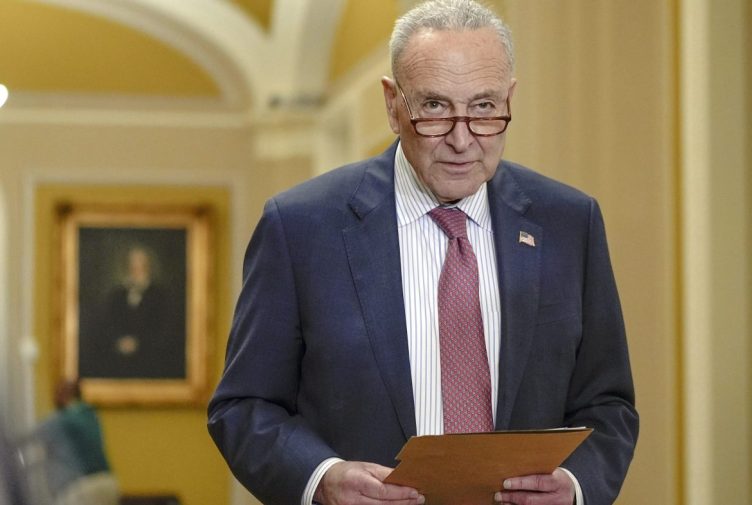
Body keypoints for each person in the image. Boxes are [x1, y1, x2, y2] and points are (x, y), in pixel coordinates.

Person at [208, 1, 638, 504]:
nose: (462, 140)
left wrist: (577, 485)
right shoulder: (302, 226)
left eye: (483, 108)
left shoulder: (568, 222)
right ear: (393, 105)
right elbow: (243, 407)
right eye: (434, 107)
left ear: (510, 97)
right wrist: (322, 478)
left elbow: (608, 405)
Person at [81, 245, 185, 379]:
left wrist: (138, 344)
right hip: (118, 365)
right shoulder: (116, 296)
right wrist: (118, 342)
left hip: (152, 364)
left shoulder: (161, 296)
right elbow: (105, 327)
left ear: (148, 267)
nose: (136, 270)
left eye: (140, 265)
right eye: (132, 266)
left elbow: (165, 332)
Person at [32, 380, 118, 505]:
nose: (54, 397)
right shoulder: (90, 414)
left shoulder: (65, 418)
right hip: (107, 482)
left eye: (58, 393)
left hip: (81, 487)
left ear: (66, 394)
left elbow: (32, 435)